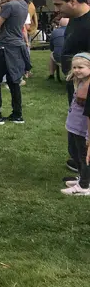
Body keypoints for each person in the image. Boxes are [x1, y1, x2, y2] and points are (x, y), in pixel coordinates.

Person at [52, 0, 90, 172]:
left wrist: (86, 85)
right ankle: (77, 160)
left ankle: (84, 164)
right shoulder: (74, 19)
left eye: (59, 4)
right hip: (74, 81)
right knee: (75, 122)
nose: (57, 9)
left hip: (86, 84)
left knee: (84, 125)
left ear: (73, 1)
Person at [61, 54, 90, 195]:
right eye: (74, 67)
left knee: (84, 156)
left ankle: (84, 186)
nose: (77, 70)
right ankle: (83, 178)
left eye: (81, 67)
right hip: (73, 125)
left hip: (83, 129)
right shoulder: (79, 82)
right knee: (74, 153)